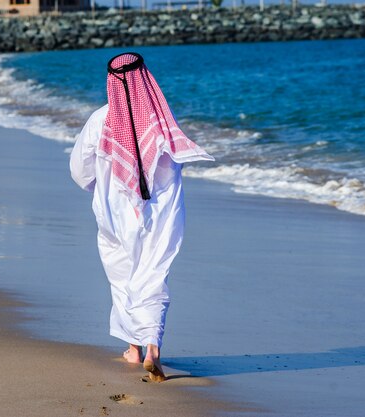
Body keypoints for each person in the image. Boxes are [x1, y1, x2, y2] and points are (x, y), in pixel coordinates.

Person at [70, 52, 213, 382]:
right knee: (152, 273)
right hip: (161, 214)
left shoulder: (100, 119)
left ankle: (133, 348)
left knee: (122, 274)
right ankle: (153, 348)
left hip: (114, 213)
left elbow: (79, 171)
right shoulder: (161, 120)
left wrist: (100, 184)